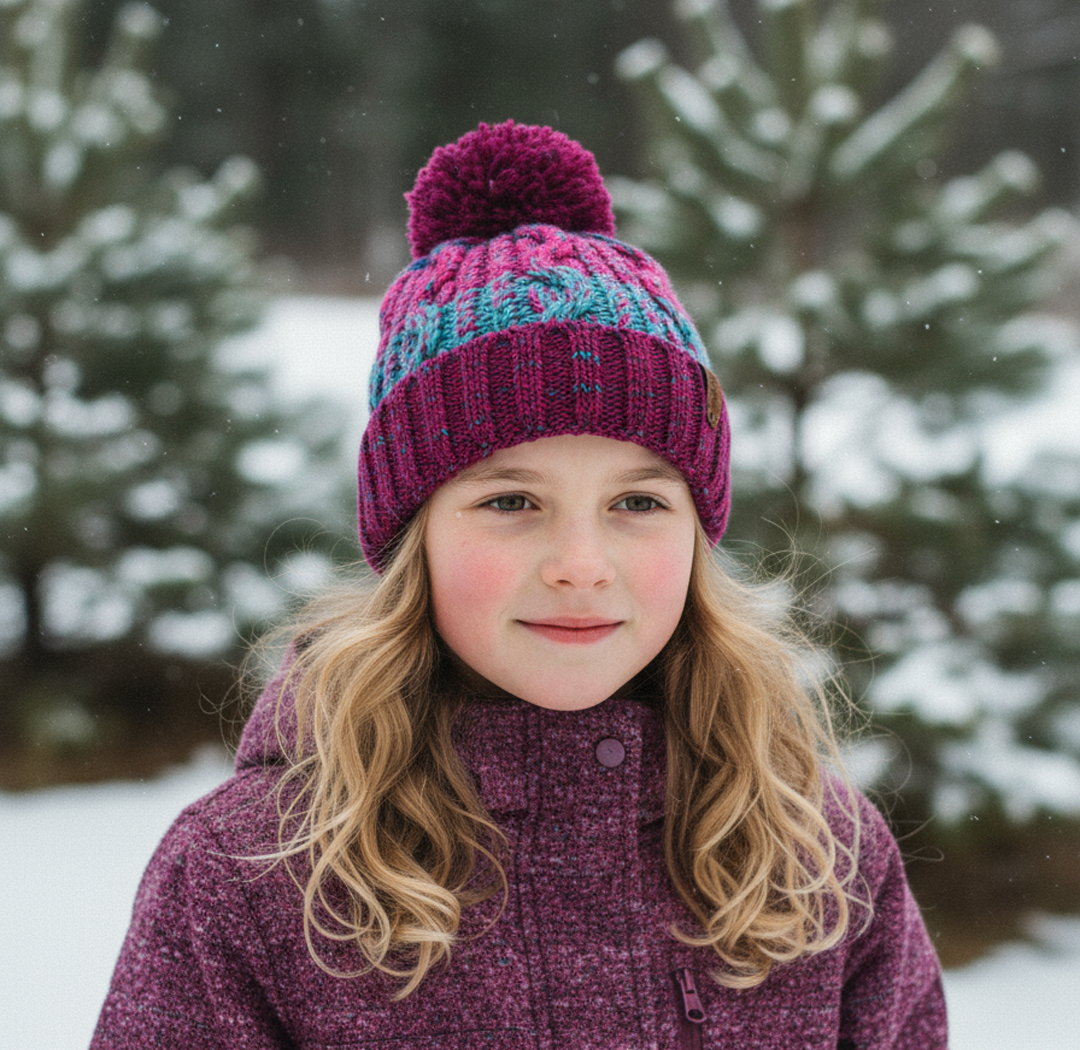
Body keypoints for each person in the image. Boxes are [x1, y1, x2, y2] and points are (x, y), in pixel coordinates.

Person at [91, 121, 947, 1049]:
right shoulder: (255, 873)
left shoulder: (817, 853)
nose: (580, 562)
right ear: (413, 534)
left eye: (637, 504)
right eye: (510, 500)